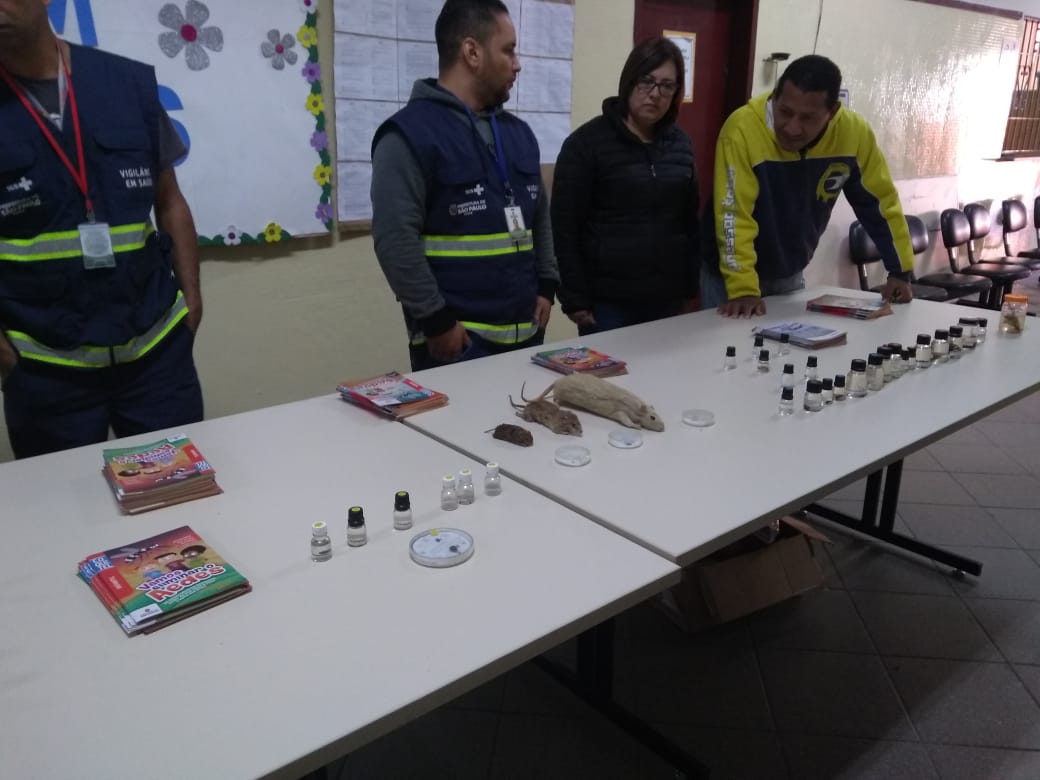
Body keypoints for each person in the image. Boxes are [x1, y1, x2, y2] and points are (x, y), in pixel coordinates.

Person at [0, 0, 203, 459]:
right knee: (63, 520)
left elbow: (170, 202)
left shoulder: (125, 84)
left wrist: (190, 302)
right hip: (44, 368)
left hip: (155, 355)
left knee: (180, 501)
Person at [371, 0, 559, 371]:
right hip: (458, 344)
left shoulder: (519, 135)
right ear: (472, 52)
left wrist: (547, 285)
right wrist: (436, 320)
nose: (517, 63)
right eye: (508, 50)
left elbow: (540, 216)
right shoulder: (408, 135)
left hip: (526, 338)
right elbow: (395, 240)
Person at [702, 54, 914, 318]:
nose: (791, 128)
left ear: (832, 112)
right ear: (775, 96)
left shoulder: (854, 134)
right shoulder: (742, 129)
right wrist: (743, 288)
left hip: (790, 272)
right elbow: (733, 215)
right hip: (730, 278)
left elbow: (880, 203)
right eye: (785, 112)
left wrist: (899, 270)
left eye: (808, 118)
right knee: (729, 352)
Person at [552, 37, 699, 335]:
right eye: (647, 81)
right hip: (607, 303)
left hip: (666, 299)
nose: (655, 94)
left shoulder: (680, 145)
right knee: (609, 383)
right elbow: (564, 228)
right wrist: (574, 297)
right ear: (628, 82)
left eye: (667, 86)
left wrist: (689, 285)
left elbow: (688, 222)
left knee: (664, 380)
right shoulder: (586, 144)